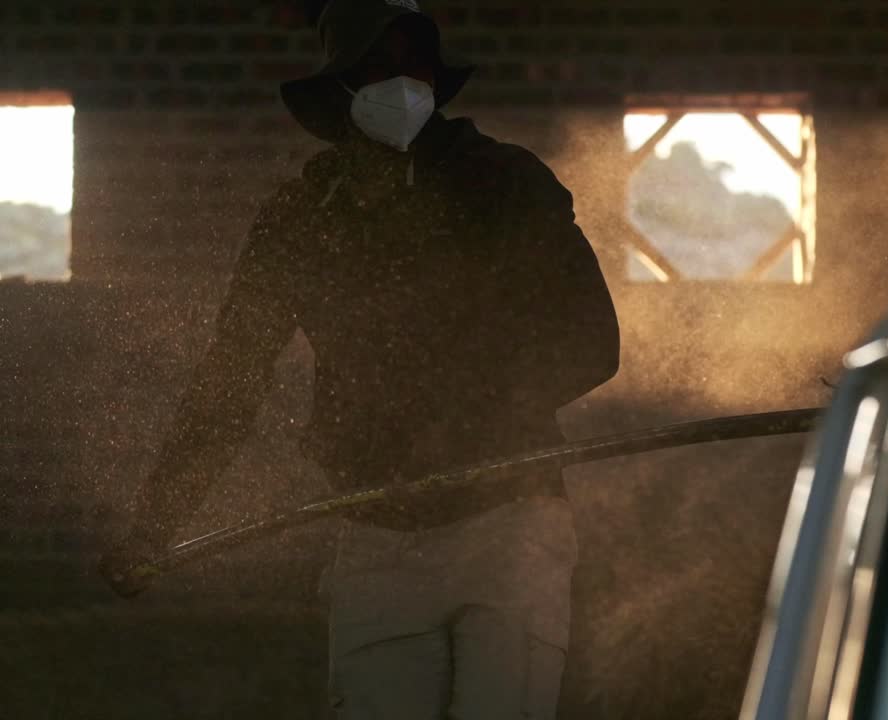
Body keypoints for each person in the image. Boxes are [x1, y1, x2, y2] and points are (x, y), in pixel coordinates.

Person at [100, 0, 620, 717]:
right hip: (375, 536)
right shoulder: (301, 220)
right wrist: (156, 522)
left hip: (510, 525)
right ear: (338, 90)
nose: (400, 84)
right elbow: (230, 382)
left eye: (412, 66)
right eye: (377, 68)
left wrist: (471, 416)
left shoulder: (503, 185)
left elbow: (592, 340)